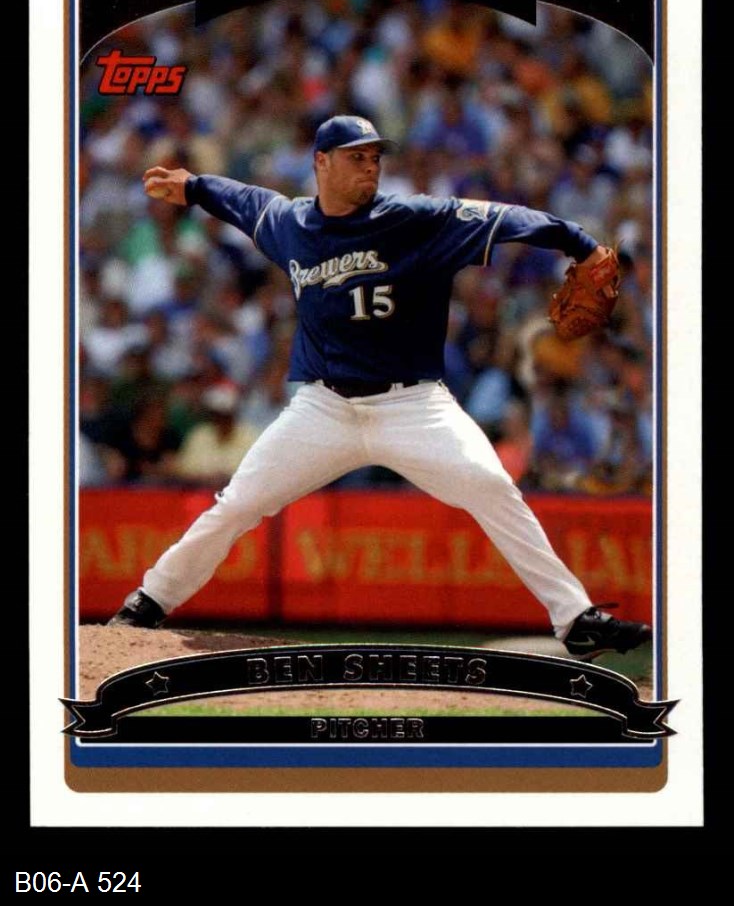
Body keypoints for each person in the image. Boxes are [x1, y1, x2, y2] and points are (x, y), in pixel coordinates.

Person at [109, 115, 652, 661]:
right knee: (237, 505)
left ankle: (576, 619)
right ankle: (148, 602)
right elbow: (243, 200)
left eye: (374, 158)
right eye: (356, 157)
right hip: (322, 409)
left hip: (412, 405)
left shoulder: (416, 219)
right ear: (321, 162)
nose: (370, 167)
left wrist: (577, 242)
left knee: (492, 486)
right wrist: (194, 186)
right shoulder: (289, 224)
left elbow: (506, 217)